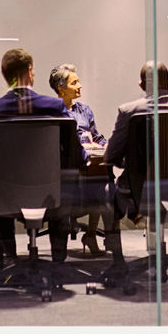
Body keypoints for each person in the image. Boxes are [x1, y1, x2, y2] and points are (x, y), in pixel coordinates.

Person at [0, 48, 71, 262]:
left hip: (6, 195)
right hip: (51, 193)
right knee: (64, 191)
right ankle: (59, 263)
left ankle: (9, 257)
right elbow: (75, 154)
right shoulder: (54, 106)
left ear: (4, 75)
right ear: (29, 71)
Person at [104, 61, 168, 269]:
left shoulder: (129, 111)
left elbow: (111, 155)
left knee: (107, 196)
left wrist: (125, 161)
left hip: (142, 191)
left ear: (141, 85)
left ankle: (118, 263)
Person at [49, 63, 108, 256]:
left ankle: (91, 234)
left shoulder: (85, 110)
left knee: (103, 178)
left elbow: (96, 136)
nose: (80, 85)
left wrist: (105, 145)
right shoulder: (53, 112)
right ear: (61, 89)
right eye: (74, 82)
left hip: (90, 163)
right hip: (65, 168)